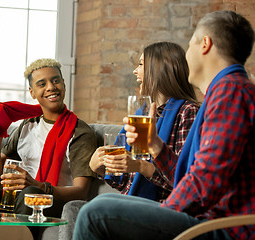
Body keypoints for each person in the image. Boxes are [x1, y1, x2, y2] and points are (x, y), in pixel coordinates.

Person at [74, 10, 255, 240]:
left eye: (190, 46)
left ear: (205, 44)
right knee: (104, 201)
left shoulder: (230, 92)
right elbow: (190, 176)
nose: (186, 56)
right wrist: (155, 145)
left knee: (95, 213)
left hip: (225, 228)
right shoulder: (225, 92)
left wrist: (161, 212)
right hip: (212, 219)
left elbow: (204, 183)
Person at [0, 58, 98, 219]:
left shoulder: (79, 132)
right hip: (15, 198)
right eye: (42, 84)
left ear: (64, 85)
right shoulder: (27, 125)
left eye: (55, 81)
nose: (51, 87)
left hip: (49, 201)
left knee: (30, 194)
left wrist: (38, 185)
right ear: (32, 92)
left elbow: (81, 191)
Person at [90, 41, 199, 202]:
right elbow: (127, 183)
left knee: (94, 206)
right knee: (74, 207)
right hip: (133, 203)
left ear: (159, 69)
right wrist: (99, 168)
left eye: (141, 64)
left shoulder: (188, 112)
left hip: (165, 207)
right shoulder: (142, 115)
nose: (135, 71)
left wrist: (140, 166)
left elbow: (186, 182)